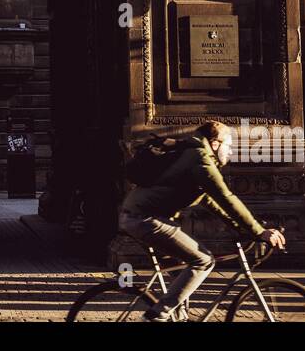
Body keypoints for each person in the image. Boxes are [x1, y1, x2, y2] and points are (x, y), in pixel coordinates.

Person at [118, 120, 286, 322]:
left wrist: (243, 229)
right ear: (215, 143)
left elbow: (212, 201)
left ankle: (177, 316)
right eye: (229, 145)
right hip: (145, 219)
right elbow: (226, 197)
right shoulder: (200, 159)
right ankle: (157, 315)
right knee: (204, 261)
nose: (230, 151)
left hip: (140, 216)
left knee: (181, 269)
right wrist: (258, 231)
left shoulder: (192, 155)